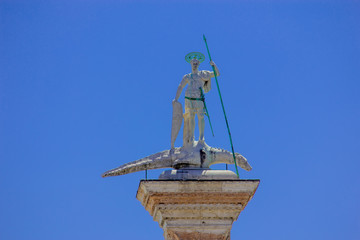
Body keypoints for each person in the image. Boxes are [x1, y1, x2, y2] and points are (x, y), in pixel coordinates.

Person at [172, 52, 220, 147]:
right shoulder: (187, 76)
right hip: (189, 98)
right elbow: (180, 86)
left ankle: (201, 138)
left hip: (199, 98)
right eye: (193, 63)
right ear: (190, 64)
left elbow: (216, 74)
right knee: (191, 117)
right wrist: (176, 98)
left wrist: (213, 65)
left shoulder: (203, 74)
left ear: (199, 64)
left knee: (201, 116)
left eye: (196, 63)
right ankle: (192, 137)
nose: (195, 65)